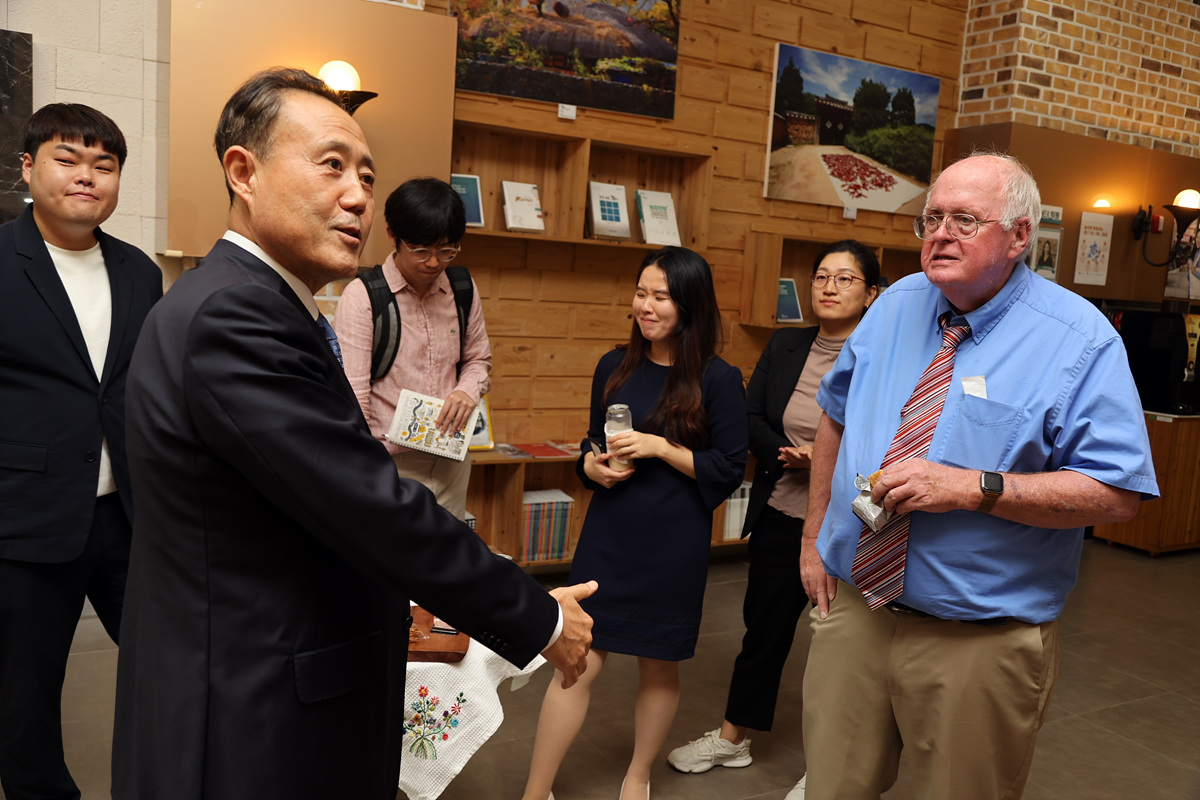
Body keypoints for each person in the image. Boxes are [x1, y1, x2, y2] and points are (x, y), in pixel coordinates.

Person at [111, 67, 595, 800]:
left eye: (367, 176)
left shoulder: (252, 302)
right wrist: (534, 615)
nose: (358, 196)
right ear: (243, 171)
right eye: (331, 164)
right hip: (253, 713)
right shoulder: (237, 317)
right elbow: (366, 503)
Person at [799, 153, 1157, 800]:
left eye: (965, 219)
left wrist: (975, 487)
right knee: (830, 788)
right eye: (932, 217)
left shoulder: (1081, 340)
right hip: (855, 610)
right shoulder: (895, 303)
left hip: (976, 639)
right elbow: (833, 415)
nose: (940, 234)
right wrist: (811, 541)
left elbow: (1117, 493)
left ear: (1020, 235)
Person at [521, 246, 749, 800]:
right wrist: (591, 467)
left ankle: (638, 775)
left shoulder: (719, 379)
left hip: (673, 543)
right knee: (575, 664)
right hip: (611, 535)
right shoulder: (613, 366)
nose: (645, 306)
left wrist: (661, 448)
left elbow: (729, 466)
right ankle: (535, 791)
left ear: (690, 305)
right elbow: (590, 444)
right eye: (641, 293)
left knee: (658, 666)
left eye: (660, 297)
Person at [667, 241, 880, 800]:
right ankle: (734, 739)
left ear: (871, 294)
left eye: (845, 278)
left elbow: (887, 436)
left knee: (842, 651)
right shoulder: (786, 345)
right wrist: (789, 450)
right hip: (784, 513)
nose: (829, 287)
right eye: (821, 277)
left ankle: (832, 768)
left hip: (850, 527)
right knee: (763, 634)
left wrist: (828, 461)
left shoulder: (882, 355)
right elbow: (751, 414)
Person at [0, 103, 162, 800]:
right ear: (28, 168)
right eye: (68, 159)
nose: (87, 177)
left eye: (105, 164)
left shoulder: (139, 273)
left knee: (172, 667)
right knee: (22, 703)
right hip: (24, 521)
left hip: (126, 517)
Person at [333, 177, 486, 519]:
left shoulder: (462, 288)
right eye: (421, 250)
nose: (434, 262)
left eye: (447, 250)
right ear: (392, 236)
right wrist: (366, 471)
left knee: (448, 562)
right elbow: (353, 399)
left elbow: (478, 359)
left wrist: (466, 392)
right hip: (390, 463)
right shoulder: (363, 298)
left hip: (451, 458)